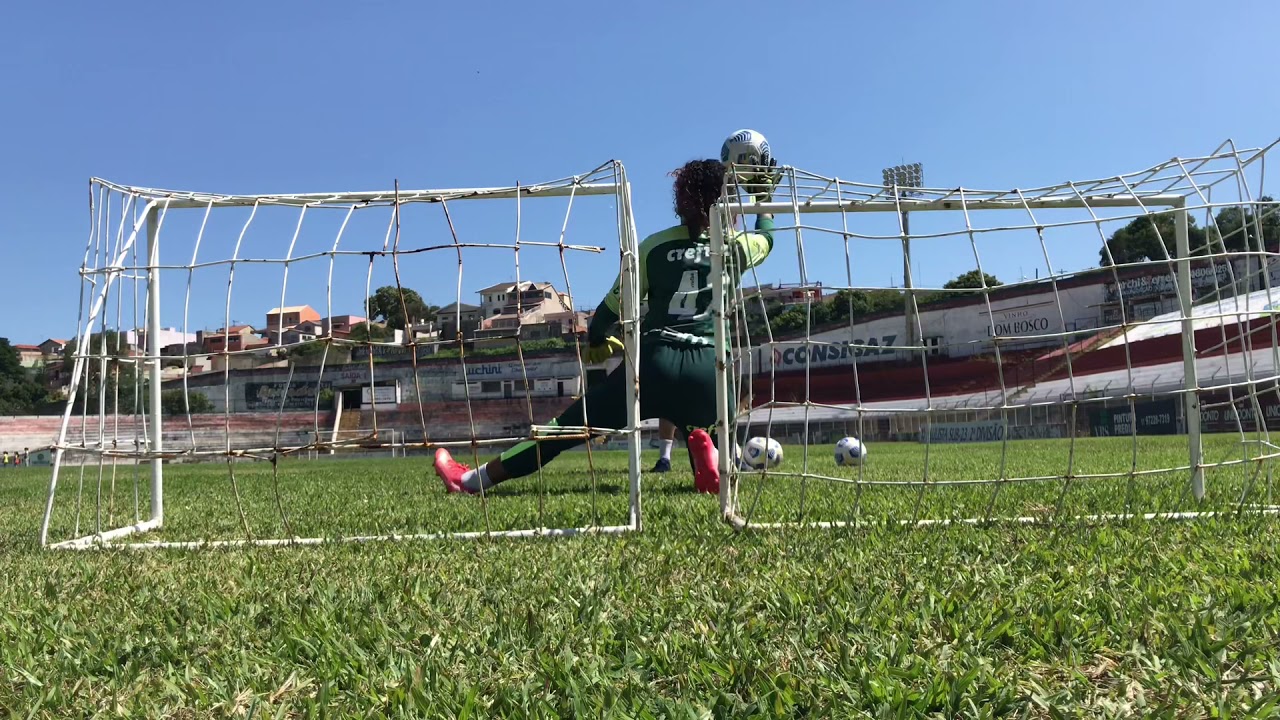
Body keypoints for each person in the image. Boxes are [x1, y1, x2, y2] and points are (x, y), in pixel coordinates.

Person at [435, 158, 775, 495]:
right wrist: (763, 195)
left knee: (564, 430)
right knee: (714, 424)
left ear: (681, 199)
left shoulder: (654, 247)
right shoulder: (738, 248)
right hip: (711, 366)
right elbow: (768, 236)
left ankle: (469, 480)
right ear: (730, 203)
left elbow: (609, 311)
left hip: (655, 364)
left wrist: (599, 337)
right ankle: (713, 459)